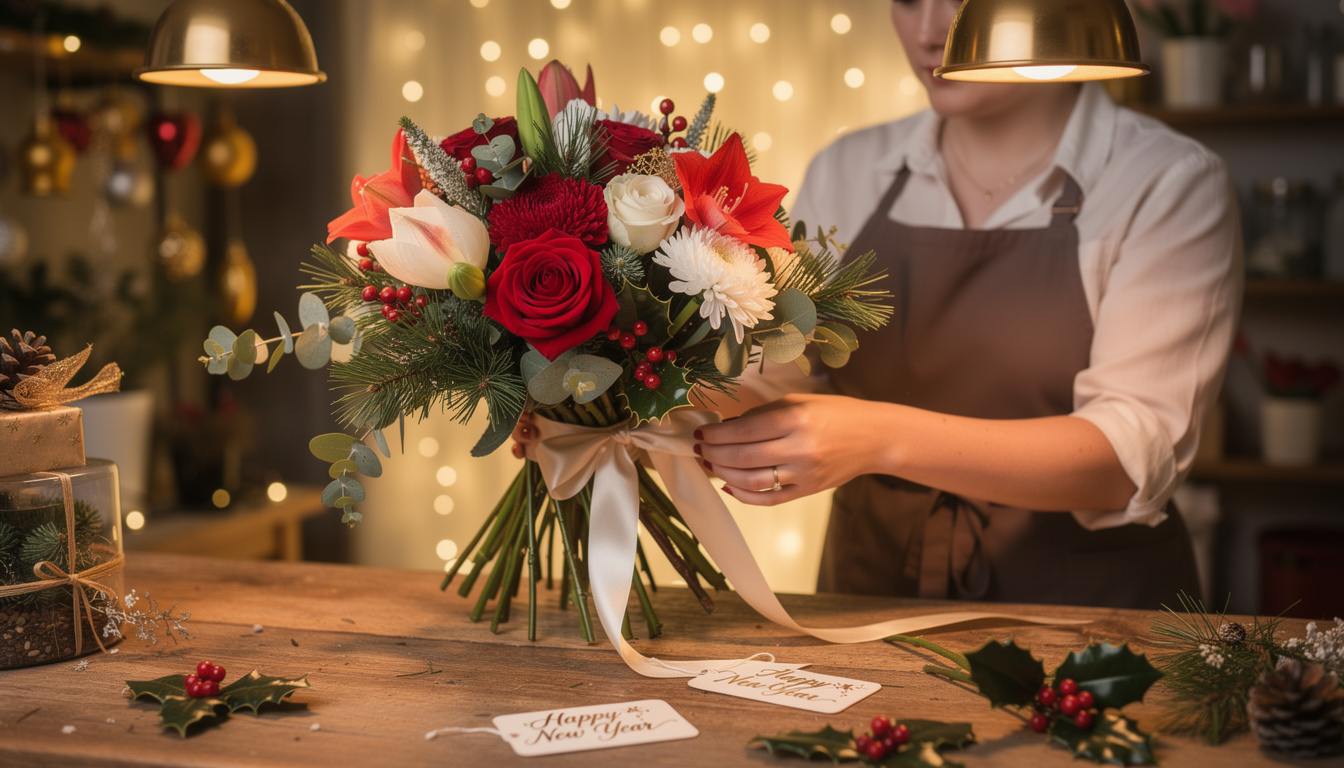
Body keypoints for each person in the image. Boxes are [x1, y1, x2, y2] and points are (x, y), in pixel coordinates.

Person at [692, 0, 1243, 609]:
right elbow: (787, 372)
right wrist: (652, 372)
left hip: (1085, 608)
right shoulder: (849, 169)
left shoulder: (1167, 180)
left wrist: (877, 437)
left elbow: (1123, 463)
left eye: (961, 0)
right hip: (867, 591)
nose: (930, 33)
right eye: (906, 0)